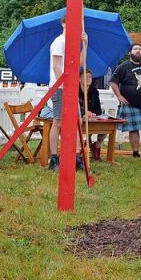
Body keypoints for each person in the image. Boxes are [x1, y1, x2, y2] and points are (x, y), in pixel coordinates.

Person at [45, 17, 87, 172]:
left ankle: (76, 156)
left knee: (78, 121)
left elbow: (81, 63)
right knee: (59, 121)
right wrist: (65, 85)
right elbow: (56, 67)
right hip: (59, 87)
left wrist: (84, 44)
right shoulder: (59, 42)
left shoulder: (72, 44)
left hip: (70, 88)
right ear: (63, 24)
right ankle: (54, 158)